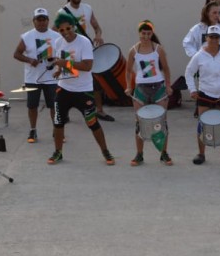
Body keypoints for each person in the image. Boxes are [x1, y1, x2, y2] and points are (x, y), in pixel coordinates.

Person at [47, 12, 115, 165]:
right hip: (63, 89)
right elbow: (60, 61)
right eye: (61, 30)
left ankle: (106, 151)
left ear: (74, 27)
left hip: (83, 91)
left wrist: (66, 64)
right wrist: (59, 70)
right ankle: (58, 152)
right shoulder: (58, 42)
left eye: (68, 28)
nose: (65, 33)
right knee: (58, 122)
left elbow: (87, 66)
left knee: (92, 123)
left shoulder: (84, 42)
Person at [185, 25, 220, 165]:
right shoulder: (199, 55)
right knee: (202, 125)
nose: (214, 40)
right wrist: (192, 89)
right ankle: (201, 154)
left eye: (216, 37)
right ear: (207, 38)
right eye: (211, 37)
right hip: (205, 94)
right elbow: (189, 73)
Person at [58, 0, 113, 122]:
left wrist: (98, 35)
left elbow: (97, 27)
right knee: (68, 79)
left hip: (86, 48)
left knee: (96, 81)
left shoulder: (87, 8)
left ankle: (99, 110)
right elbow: (56, 31)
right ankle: (64, 112)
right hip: (71, 50)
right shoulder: (63, 11)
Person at [125, 20, 173, 166]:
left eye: (148, 33)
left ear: (152, 34)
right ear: (139, 33)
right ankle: (139, 154)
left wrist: (168, 86)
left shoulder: (158, 49)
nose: (145, 36)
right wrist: (128, 86)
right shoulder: (133, 50)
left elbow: (165, 68)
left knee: (161, 122)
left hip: (158, 88)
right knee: (140, 123)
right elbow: (128, 71)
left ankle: (163, 153)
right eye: (143, 33)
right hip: (141, 90)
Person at [13, 8, 60, 144]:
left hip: (51, 77)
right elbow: (16, 54)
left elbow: (63, 54)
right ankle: (33, 129)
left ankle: (57, 129)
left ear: (48, 21)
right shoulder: (27, 36)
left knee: (54, 106)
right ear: (33, 21)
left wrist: (55, 59)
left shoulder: (57, 36)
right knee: (32, 106)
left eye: (44, 20)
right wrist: (30, 60)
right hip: (32, 78)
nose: (41, 23)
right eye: (38, 20)